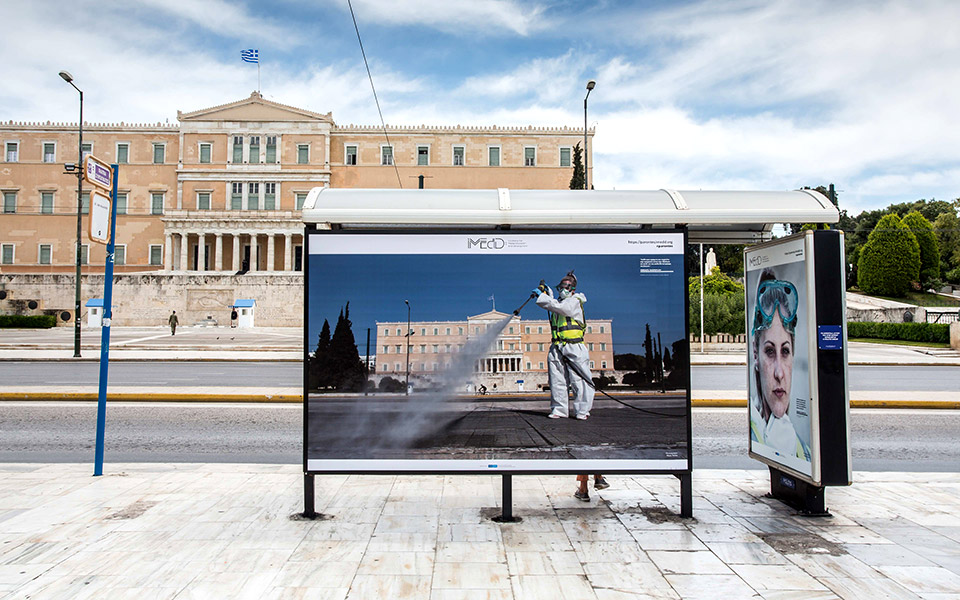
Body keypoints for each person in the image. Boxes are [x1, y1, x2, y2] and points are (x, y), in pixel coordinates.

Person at [749, 268, 810, 461]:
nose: (779, 373)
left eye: (785, 352)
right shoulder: (754, 429)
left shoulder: (805, 452)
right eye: (769, 351)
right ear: (755, 354)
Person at [535, 270, 594, 419]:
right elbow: (555, 304)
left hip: (574, 346)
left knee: (579, 380)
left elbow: (563, 308)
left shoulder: (575, 301)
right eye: (560, 287)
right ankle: (559, 410)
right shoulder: (558, 303)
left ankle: (582, 411)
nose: (562, 290)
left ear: (573, 289)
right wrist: (547, 292)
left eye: (566, 287)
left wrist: (543, 297)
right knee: (557, 380)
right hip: (557, 346)